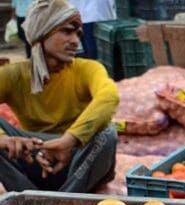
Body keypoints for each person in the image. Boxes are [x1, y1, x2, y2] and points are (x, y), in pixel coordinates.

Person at [0, 0, 119, 193]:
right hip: (35, 158)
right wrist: (4, 140)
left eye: (78, 33)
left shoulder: (87, 69)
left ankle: (67, 200)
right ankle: (28, 200)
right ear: (42, 32)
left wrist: (68, 141)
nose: (75, 41)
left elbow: (109, 96)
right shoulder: (14, 75)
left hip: (79, 161)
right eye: (66, 31)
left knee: (107, 132)